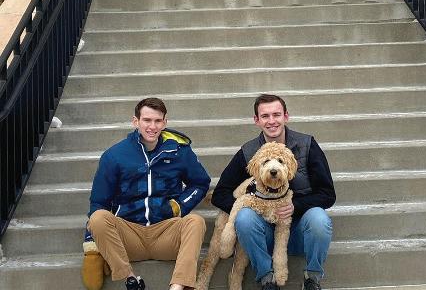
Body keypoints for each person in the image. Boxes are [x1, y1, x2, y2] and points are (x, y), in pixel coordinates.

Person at [82, 97, 211, 290]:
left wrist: (179, 205)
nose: (152, 126)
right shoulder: (114, 155)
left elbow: (200, 183)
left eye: (158, 121)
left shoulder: (179, 151)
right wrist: (92, 245)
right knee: (99, 217)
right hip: (128, 236)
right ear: (136, 121)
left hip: (166, 233)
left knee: (196, 221)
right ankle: (130, 280)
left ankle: (177, 286)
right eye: (147, 120)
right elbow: (99, 203)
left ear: (165, 123)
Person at [211, 94, 336, 290]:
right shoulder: (249, 152)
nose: (271, 121)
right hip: (264, 235)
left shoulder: (307, 145)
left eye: (276, 115)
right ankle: (266, 279)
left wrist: (295, 206)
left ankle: (312, 279)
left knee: (319, 218)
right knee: (244, 218)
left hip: (299, 230)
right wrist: (256, 205)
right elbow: (220, 194)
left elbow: (327, 194)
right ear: (257, 120)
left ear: (286, 116)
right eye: (265, 116)